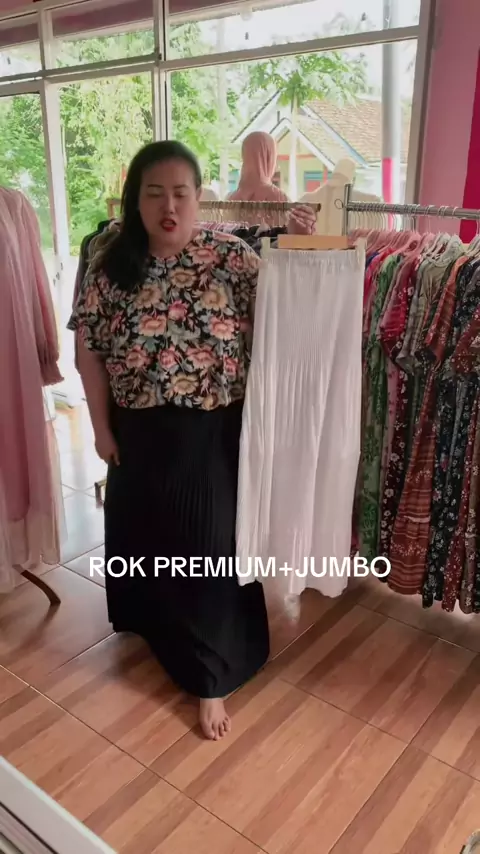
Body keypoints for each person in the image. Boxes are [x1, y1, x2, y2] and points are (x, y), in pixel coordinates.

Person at [68, 140, 315, 740]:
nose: (169, 206)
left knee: (207, 554)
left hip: (212, 433)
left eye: (181, 192)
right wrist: (100, 429)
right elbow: (89, 352)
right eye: (154, 193)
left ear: (200, 197)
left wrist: (298, 243)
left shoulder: (231, 257)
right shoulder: (109, 260)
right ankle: (150, 626)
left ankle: (211, 676)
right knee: (147, 539)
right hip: (138, 431)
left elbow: (287, 316)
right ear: (135, 200)